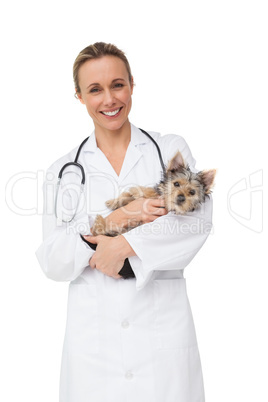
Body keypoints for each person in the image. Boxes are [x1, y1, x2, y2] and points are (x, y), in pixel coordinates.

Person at [36, 42, 213, 402]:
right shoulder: (64, 170)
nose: (109, 99)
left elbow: (196, 222)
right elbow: (53, 260)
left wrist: (122, 246)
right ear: (79, 96)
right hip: (94, 349)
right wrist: (120, 217)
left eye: (117, 84)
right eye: (95, 90)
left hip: (161, 345)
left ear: (132, 84)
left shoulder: (168, 149)